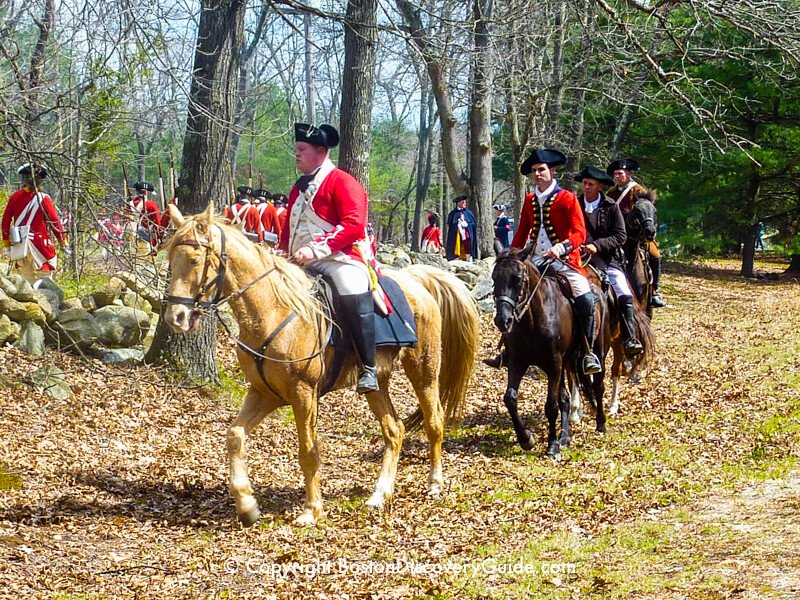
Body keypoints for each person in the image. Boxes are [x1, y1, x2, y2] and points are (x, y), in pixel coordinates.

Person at [278, 122, 380, 394]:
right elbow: (290, 228)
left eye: (302, 149)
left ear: (321, 151)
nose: (296, 154)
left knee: (351, 286)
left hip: (340, 257)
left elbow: (353, 225)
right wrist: (281, 254)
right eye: (296, 149)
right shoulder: (298, 188)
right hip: (300, 259)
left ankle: (368, 367)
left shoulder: (344, 182)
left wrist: (315, 250)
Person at [487, 149, 601, 374]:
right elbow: (521, 234)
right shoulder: (529, 200)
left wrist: (561, 248)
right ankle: (508, 350)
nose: (537, 174)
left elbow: (580, 233)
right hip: (535, 260)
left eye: (541, 170)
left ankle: (588, 352)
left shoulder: (567, 198)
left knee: (586, 298)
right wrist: (510, 256)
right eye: (534, 171)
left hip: (566, 261)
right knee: (510, 293)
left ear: (552, 171)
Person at [575, 166, 642, 357]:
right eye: (584, 184)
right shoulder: (575, 203)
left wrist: (597, 245)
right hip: (576, 257)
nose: (586, 187)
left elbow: (620, 235)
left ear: (600, 186)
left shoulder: (611, 206)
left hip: (607, 259)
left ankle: (629, 337)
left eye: (591, 184)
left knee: (622, 290)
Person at [606, 159, 666, 308]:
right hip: (614, 235)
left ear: (629, 173)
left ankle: (653, 291)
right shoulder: (611, 193)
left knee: (655, 255)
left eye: (620, 173)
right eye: (615, 174)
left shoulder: (638, 190)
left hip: (636, 236)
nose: (618, 177)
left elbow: (648, 212)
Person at [2, 162, 67, 282]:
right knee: (45, 284)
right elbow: (55, 223)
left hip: (20, 246)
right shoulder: (44, 198)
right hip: (40, 247)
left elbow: (5, 222)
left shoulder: (15, 197)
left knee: (27, 283)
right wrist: (62, 240)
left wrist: (7, 244)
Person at [128, 181, 161, 253]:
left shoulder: (129, 204)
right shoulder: (151, 204)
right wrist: (159, 235)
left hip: (130, 234)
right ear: (146, 192)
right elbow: (158, 223)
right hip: (147, 236)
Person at [445, 195, 478, 261]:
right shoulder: (452, 213)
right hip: (457, 234)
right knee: (456, 243)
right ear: (458, 203)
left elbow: (473, 224)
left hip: (466, 233)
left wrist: (467, 225)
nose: (465, 203)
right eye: (463, 202)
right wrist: (458, 225)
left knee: (468, 244)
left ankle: (469, 257)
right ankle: (456, 257)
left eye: (465, 202)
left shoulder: (469, 213)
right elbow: (450, 225)